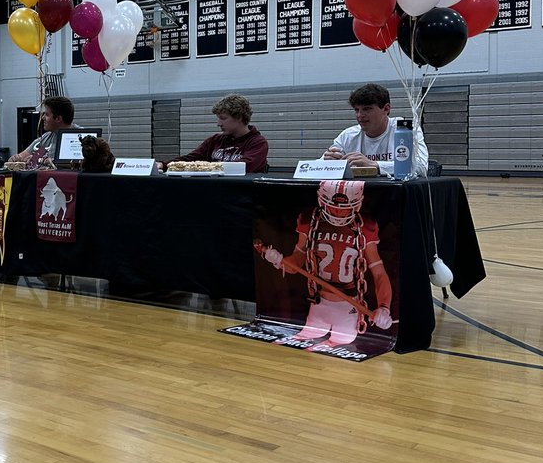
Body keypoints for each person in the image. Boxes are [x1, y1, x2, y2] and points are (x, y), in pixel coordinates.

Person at [261, 179, 394, 346]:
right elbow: (296, 263)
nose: (338, 213)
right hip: (319, 304)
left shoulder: (364, 227)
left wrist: (384, 307)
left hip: (348, 306)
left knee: (340, 345)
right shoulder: (310, 220)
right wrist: (279, 261)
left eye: (344, 208)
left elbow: (379, 273)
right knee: (296, 348)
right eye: (333, 208)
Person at [324, 82, 428, 178]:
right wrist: (328, 162)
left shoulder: (406, 130)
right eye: (356, 110)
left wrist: (375, 165)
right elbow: (317, 167)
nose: (360, 115)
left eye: (367, 109)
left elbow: (421, 166)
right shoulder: (348, 135)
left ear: (386, 109)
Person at [167, 93, 269, 172]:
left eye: (223, 118)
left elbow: (244, 167)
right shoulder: (214, 140)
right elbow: (191, 159)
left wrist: (206, 167)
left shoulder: (258, 143)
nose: (218, 124)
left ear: (239, 117)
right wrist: (165, 165)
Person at [9, 96, 82, 165]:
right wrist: (15, 159)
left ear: (58, 119)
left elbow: (79, 164)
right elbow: (21, 157)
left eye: (47, 115)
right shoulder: (45, 139)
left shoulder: (83, 138)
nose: (43, 118)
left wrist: (42, 160)